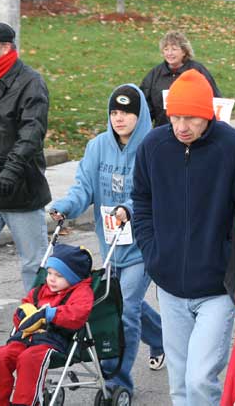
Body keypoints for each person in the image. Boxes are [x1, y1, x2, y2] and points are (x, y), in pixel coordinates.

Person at [132, 69, 235, 405]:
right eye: (175, 116)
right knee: (179, 384)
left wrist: (233, 260)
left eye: (191, 118)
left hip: (218, 288)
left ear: (209, 114)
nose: (181, 126)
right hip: (169, 286)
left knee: (199, 379)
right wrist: (152, 252)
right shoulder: (153, 145)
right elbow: (141, 201)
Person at [48, 84, 165, 397]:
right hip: (112, 242)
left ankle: (118, 379)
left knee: (124, 309)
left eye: (126, 112)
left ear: (139, 116)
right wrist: (65, 207)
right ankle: (162, 337)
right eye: (114, 112)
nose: (119, 118)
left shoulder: (152, 146)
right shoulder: (97, 146)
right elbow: (83, 187)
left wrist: (129, 207)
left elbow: (154, 192)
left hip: (143, 244)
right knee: (124, 303)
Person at [0, 21, 50, 297]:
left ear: (6, 47)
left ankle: (37, 321)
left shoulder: (30, 82)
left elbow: (32, 132)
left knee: (34, 264)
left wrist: (11, 171)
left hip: (20, 189)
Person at [0, 244, 94, 406]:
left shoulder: (81, 292)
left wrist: (52, 314)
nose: (51, 279)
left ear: (72, 278)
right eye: (49, 273)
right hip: (26, 337)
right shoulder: (41, 290)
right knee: (2, 355)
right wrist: (23, 314)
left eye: (59, 275)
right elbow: (23, 312)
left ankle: (24, 402)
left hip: (53, 339)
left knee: (29, 359)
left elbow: (77, 315)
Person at [139, 30, 221, 127]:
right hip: (163, 129)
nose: (169, 53)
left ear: (184, 51)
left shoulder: (198, 70)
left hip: (192, 130)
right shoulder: (155, 74)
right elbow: (144, 104)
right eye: (166, 49)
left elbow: (215, 99)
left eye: (174, 49)